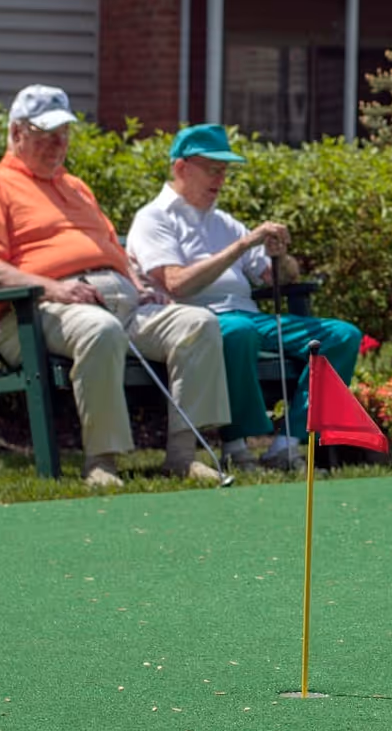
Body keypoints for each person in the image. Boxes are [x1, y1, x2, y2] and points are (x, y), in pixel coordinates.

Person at [0, 85, 231, 487]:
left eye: (63, 134)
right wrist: (52, 288)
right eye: (46, 135)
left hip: (118, 302)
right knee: (100, 331)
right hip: (36, 313)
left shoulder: (76, 186)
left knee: (199, 324)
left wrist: (137, 284)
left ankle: (183, 455)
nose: (58, 144)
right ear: (17, 134)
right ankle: (102, 462)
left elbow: (108, 250)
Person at [125, 124, 364, 472]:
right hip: (197, 321)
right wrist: (241, 245)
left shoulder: (224, 221)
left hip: (250, 317)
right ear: (181, 168)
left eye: (224, 171)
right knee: (238, 331)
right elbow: (175, 284)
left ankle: (289, 442)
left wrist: (281, 255)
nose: (220, 179)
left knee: (341, 336)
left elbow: (277, 278)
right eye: (213, 169)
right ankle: (237, 444)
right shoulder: (154, 219)